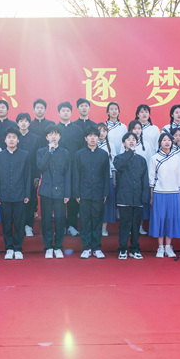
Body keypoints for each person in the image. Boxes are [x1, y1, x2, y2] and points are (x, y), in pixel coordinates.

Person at [0, 129, 31, 259]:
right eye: (9, 137)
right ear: (5, 140)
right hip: (4, 194)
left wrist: (27, 194)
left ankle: (18, 248)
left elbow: (27, 175)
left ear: (18, 140)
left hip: (20, 194)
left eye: (14, 137)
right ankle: (9, 248)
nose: (11, 139)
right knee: (6, 222)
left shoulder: (25, 155)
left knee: (20, 222)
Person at [73, 126, 111, 259]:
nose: (93, 138)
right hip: (84, 192)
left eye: (95, 136)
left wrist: (105, 192)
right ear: (86, 138)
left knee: (97, 220)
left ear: (98, 138)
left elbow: (106, 175)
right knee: (85, 220)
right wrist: (77, 193)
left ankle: (97, 248)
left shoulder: (103, 154)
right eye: (90, 136)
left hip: (99, 192)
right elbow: (76, 175)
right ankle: (86, 247)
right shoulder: (79, 154)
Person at [149, 133, 180, 258]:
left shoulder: (176, 158)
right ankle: (160, 247)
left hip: (173, 193)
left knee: (170, 219)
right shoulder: (155, 158)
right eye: (164, 140)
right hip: (159, 193)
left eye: (169, 140)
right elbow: (151, 178)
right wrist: (152, 196)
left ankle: (168, 247)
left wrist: (178, 193)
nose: (167, 142)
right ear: (160, 142)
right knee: (160, 220)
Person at [37, 125, 71, 258]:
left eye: (56, 134)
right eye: (50, 134)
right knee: (46, 220)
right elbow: (41, 166)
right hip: (46, 190)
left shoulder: (65, 153)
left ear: (60, 137)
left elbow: (68, 173)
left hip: (60, 191)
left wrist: (67, 193)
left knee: (60, 219)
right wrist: (49, 151)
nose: (53, 137)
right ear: (47, 137)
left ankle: (58, 246)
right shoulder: (41, 151)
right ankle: (48, 247)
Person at [113, 132, 149, 260]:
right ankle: (123, 249)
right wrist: (130, 153)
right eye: (128, 139)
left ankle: (135, 249)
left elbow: (145, 179)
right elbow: (119, 166)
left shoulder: (141, 160)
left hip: (137, 197)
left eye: (134, 139)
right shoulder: (119, 158)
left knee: (135, 225)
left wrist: (144, 196)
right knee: (124, 225)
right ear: (124, 143)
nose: (131, 141)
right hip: (124, 197)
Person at [56, 101, 84, 237]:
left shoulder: (78, 130)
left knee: (73, 196)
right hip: (58, 169)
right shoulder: (54, 129)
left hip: (74, 168)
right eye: (63, 110)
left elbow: (82, 148)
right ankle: (60, 226)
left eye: (68, 110)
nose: (65, 113)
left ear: (71, 112)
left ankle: (72, 225)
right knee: (59, 198)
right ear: (59, 112)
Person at [16, 112, 40, 237]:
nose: (23, 123)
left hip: (31, 175)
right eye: (21, 121)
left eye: (26, 121)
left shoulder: (36, 138)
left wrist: (37, 176)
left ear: (29, 123)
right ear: (17, 123)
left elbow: (37, 159)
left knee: (30, 200)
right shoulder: (14, 137)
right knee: (18, 201)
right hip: (16, 175)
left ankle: (29, 226)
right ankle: (19, 226)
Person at [97, 123, 116, 236]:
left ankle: (104, 228)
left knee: (106, 204)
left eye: (104, 131)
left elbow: (113, 164)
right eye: (100, 130)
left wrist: (114, 179)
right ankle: (96, 227)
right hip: (95, 179)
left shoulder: (111, 145)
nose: (102, 133)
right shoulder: (93, 144)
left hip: (107, 177)